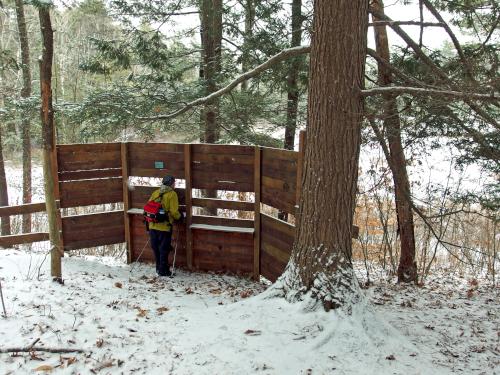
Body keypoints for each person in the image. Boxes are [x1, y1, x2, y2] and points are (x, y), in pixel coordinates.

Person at [147, 175, 182, 277]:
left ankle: (158, 268)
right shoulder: (172, 194)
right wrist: (180, 217)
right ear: (171, 183)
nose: (175, 185)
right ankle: (164, 270)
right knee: (164, 249)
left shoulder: (156, 192)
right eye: (174, 183)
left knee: (156, 248)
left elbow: (149, 206)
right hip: (164, 227)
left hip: (152, 225)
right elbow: (174, 211)